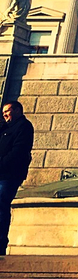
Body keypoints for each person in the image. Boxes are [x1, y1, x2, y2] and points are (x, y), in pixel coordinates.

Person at [0, 101, 32, 255]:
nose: (5, 115)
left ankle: (0, 244)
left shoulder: (23, 127)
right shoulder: (4, 128)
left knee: (1, 205)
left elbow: (18, 151)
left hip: (9, 174)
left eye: (8, 111)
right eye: (3, 112)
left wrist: (1, 164)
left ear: (18, 110)